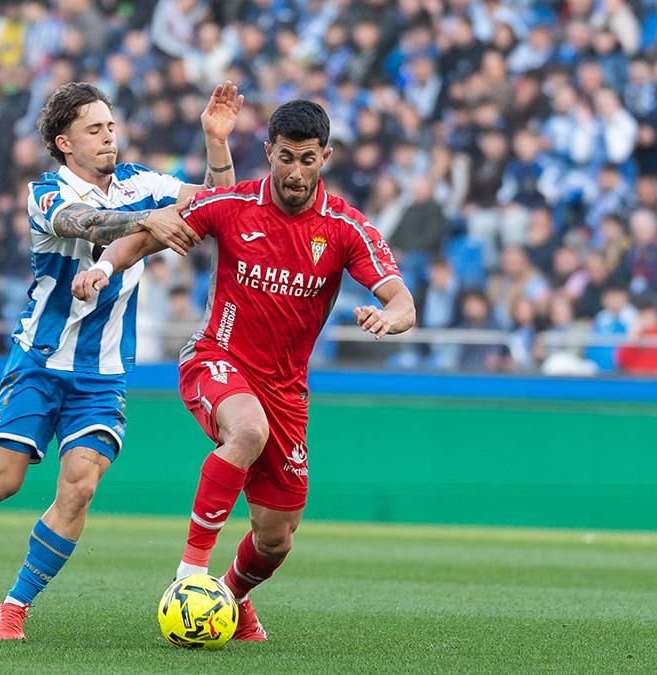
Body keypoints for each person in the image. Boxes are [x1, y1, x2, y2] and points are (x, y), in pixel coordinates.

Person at [0, 80, 244, 641]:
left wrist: (217, 142)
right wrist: (147, 221)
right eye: (94, 130)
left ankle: (15, 604)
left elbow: (227, 205)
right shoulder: (45, 193)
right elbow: (85, 224)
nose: (108, 138)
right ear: (64, 143)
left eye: (111, 126)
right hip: (40, 361)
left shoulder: (142, 182)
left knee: (80, 486)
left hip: (102, 373)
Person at [72, 100, 415, 641]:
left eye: (307, 159)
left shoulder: (346, 228)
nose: (295, 172)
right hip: (217, 356)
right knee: (248, 431)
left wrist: (390, 317)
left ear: (325, 157)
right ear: (269, 152)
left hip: (287, 391)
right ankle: (190, 572)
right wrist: (104, 265)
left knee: (276, 538)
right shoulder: (232, 204)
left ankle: (229, 598)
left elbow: (403, 301)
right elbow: (150, 235)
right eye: (286, 158)